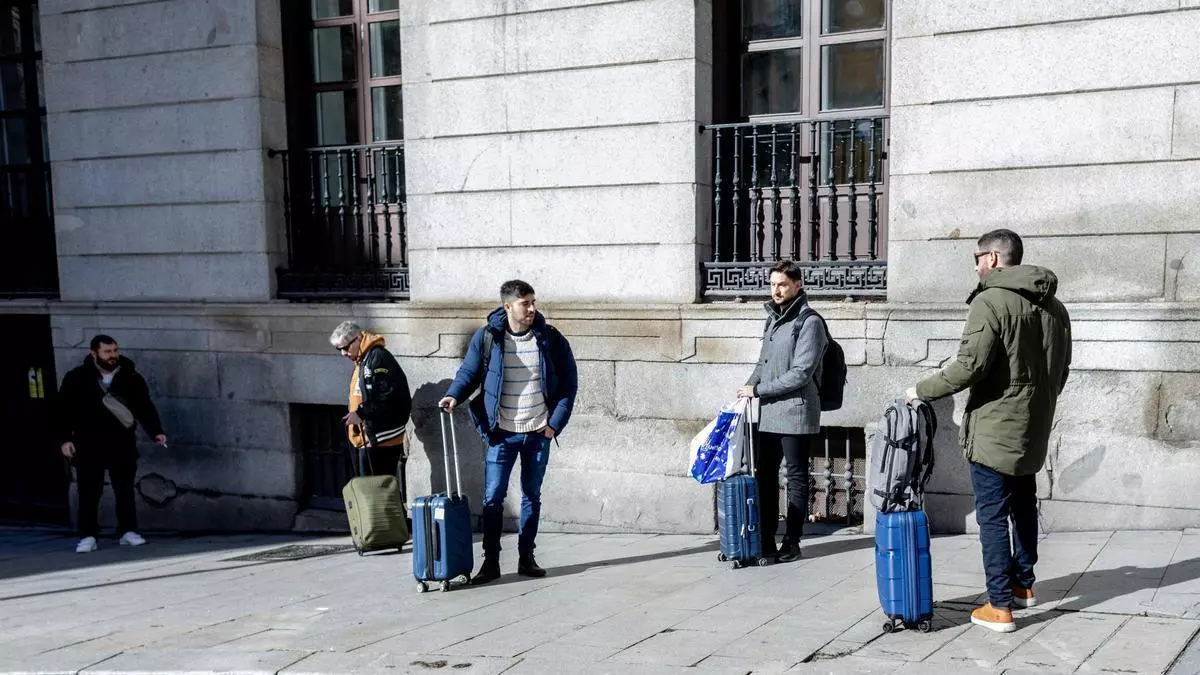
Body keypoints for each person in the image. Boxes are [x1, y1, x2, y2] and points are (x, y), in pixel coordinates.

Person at [907, 229, 1072, 633]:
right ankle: (1023, 585)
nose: (976, 267)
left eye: (977, 258)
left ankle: (999, 606)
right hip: (1033, 425)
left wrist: (920, 390)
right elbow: (1061, 370)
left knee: (993, 515)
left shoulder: (990, 300)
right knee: (1024, 503)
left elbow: (969, 367)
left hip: (994, 429)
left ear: (993, 258)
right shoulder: (1055, 307)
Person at [439, 279, 578, 585]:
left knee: (531, 496)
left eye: (533, 302)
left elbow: (570, 382)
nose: (532, 309)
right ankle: (491, 562)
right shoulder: (488, 337)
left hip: (538, 433)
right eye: (525, 303)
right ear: (507, 306)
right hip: (501, 433)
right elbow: (469, 372)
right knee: (492, 499)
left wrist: (554, 424)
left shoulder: (550, 338)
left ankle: (527, 557)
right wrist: (453, 395)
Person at [737, 260, 828, 564]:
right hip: (770, 411)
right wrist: (747, 387)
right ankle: (765, 540)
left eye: (783, 285)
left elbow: (801, 373)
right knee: (764, 475)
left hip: (797, 412)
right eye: (773, 284)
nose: (776, 291)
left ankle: (792, 541)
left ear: (798, 285)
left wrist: (759, 391)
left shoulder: (809, 322)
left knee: (796, 478)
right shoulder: (772, 319)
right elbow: (762, 364)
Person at [57, 335, 167, 553]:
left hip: (121, 441)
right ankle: (88, 535)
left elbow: (144, 406)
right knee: (89, 491)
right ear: (94, 353)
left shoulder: (130, 376)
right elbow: (62, 410)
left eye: (115, 350)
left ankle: (128, 531)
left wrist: (156, 431)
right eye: (107, 351)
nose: (113, 355)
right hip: (88, 442)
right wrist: (65, 439)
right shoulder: (77, 378)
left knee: (124, 489)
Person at [329, 321, 412, 479]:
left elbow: (386, 394)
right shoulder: (363, 359)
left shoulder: (378, 357)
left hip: (381, 437)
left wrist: (361, 413)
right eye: (339, 349)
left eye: (346, 348)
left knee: (376, 488)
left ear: (359, 338)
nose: (343, 353)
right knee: (369, 487)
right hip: (369, 437)